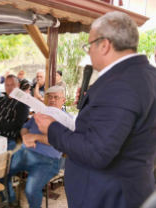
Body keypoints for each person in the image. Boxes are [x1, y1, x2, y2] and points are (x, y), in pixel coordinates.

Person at [34, 11, 156, 208]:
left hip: (106, 196)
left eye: (90, 45)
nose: (88, 52)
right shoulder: (146, 74)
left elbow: (96, 152)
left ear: (105, 45)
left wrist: (52, 128)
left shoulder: (120, 83)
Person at [5, 86, 67, 208]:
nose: (52, 100)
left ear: (63, 100)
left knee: (31, 191)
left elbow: (55, 139)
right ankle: (12, 201)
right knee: (2, 170)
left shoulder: (64, 119)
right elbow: (24, 127)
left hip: (48, 160)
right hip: (26, 153)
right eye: (50, 97)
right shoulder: (40, 114)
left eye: (56, 97)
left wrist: (34, 137)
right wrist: (26, 136)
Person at [0, 75, 29, 150]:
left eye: (12, 85)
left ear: (18, 85)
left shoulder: (23, 104)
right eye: (7, 85)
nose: (9, 88)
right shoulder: (0, 100)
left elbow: (17, 125)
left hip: (6, 139)